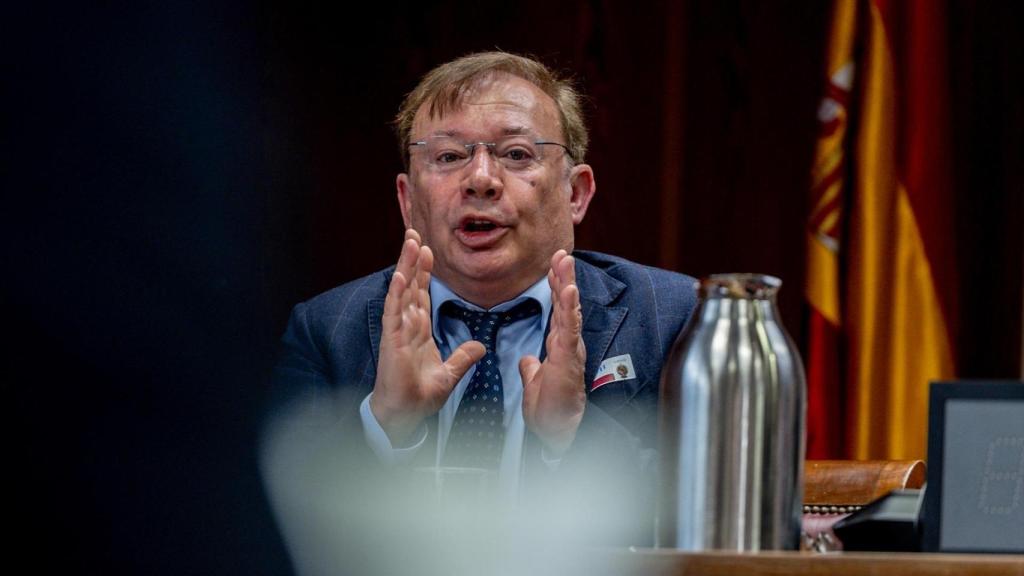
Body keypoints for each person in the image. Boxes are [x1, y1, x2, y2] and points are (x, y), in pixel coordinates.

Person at [260, 51, 698, 574]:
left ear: (575, 192)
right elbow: (273, 534)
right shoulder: (327, 329)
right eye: (448, 157)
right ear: (406, 199)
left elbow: (710, 528)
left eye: (516, 154)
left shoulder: (674, 318)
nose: (481, 179)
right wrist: (384, 426)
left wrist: (574, 438)